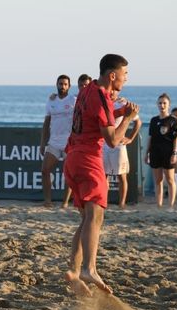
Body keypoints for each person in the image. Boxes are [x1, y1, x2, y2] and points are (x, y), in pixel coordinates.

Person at [63, 54, 139, 296]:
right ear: (113, 75)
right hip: (88, 160)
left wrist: (117, 111)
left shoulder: (88, 89)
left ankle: (74, 271)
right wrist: (127, 117)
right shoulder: (101, 96)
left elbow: (95, 116)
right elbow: (113, 140)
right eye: (125, 75)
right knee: (96, 218)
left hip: (72, 159)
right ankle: (89, 268)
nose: (126, 79)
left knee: (86, 219)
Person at [103, 90, 142, 208]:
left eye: (113, 91)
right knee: (104, 175)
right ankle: (104, 202)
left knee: (121, 176)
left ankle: (122, 203)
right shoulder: (103, 104)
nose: (111, 93)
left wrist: (130, 138)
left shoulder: (123, 104)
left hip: (119, 144)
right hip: (104, 144)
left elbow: (138, 122)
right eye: (108, 91)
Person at [40, 75, 74, 208]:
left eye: (65, 84)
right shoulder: (51, 100)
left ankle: (65, 202)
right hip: (53, 141)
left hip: (69, 142)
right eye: (60, 84)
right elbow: (46, 122)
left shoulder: (74, 100)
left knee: (68, 173)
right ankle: (48, 201)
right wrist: (43, 142)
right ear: (57, 85)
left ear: (69, 86)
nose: (63, 86)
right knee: (45, 170)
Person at [145, 93, 177, 209]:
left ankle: (170, 206)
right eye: (160, 103)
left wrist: (174, 153)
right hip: (155, 153)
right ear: (157, 104)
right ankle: (159, 206)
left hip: (168, 153)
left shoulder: (173, 120)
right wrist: (146, 153)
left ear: (168, 105)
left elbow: (175, 138)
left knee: (170, 180)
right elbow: (150, 137)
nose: (162, 105)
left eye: (164, 103)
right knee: (158, 180)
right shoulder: (153, 120)